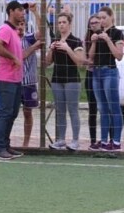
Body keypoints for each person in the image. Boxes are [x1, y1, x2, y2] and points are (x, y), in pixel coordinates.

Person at [0, 0, 26, 160]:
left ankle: (4, 144)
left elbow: (18, 55)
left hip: (15, 78)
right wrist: (12, 58)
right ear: (11, 11)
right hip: (6, 78)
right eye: (20, 10)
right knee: (6, 112)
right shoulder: (5, 29)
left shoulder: (14, 31)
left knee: (12, 112)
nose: (23, 13)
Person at [46, 12, 85, 151]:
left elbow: (80, 62)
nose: (61, 25)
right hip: (57, 79)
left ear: (69, 24)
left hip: (72, 80)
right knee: (60, 110)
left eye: (64, 22)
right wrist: (51, 50)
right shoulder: (55, 41)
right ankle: (61, 139)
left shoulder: (75, 41)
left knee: (73, 110)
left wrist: (68, 49)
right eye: (59, 22)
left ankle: (75, 140)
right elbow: (47, 62)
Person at [87, 7, 124, 152]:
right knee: (102, 108)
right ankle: (103, 141)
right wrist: (94, 41)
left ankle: (116, 141)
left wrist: (108, 39)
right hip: (96, 72)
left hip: (109, 71)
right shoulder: (97, 33)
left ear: (111, 17)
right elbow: (91, 57)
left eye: (104, 18)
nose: (101, 21)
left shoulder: (117, 33)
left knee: (113, 107)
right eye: (100, 18)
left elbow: (119, 55)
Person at [18, 19, 44, 147]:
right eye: (17, 24)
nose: (20, 27)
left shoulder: (29, 37)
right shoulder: (9, 38)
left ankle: (26, 142)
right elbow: (20, 56)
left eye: (22, 24)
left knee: (27, 112)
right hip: (14, 81)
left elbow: (42, 32)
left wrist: (36, 13)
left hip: (29, 81)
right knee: (9, 112)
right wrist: (33, 48)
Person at [83, 15, 101, 150]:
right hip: (91, 73)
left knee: (105, 108)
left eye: (96, 22)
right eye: (91, 23)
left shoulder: (107, 36)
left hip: (103, 73)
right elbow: (88, 58)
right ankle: (93, 140)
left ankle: (107, 139)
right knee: (93, 108)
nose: (94, 25)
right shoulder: (88, 39)